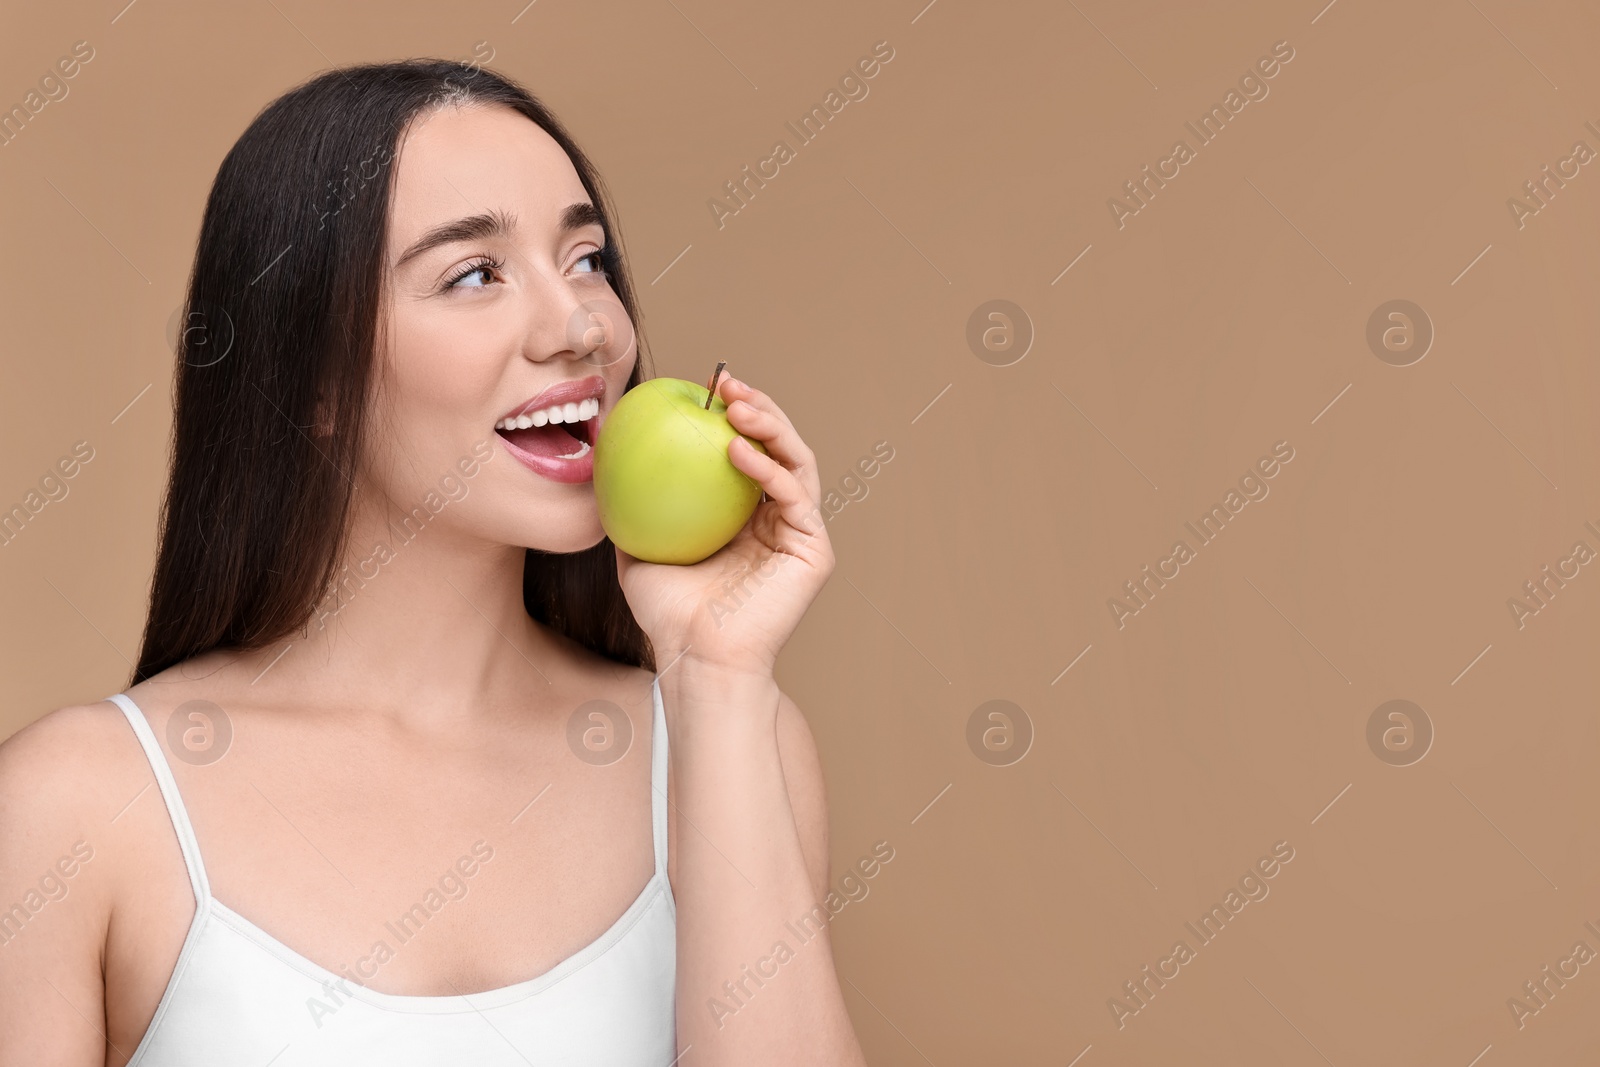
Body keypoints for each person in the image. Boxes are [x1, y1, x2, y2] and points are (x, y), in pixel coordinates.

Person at [0, 59, 865, 1065]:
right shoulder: (75, 805)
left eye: (586, 258)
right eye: (475, 274)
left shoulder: (733, 742)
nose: (581, 327)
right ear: (311, 377)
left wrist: (716, 676)